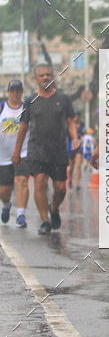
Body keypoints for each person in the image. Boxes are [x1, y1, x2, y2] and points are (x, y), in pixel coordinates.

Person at [12, 64, 79, 235]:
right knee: (39, 182)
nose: (45, 78)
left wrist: (75, 138)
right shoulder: (30, 101)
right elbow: (23, 127)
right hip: (37, 149)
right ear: (36, 79)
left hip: (58, 151)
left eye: (48, 75)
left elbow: (71, 121)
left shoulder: (63, 99)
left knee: (61, 188)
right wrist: (17, 151)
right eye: (42, 75)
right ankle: (45, 221)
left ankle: (54, 208)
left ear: (53, 77)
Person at [0, 79, 30, 228]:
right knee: (4, 189)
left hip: (23, 153)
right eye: (12, 90)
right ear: (8, 92)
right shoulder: (1, 108)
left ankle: (21, 215)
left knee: (21, 181)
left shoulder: (26, 109)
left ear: (22, 92)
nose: (15, 93)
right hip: (3, 156)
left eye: (18, 90)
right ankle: (6, 204)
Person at [67, 113, 84, 189]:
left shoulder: (81, 126)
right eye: (75, 116)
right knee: (71, 166)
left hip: (79, 147)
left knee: (78, 166)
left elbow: (83, 135)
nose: (76, 117)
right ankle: (70, 179)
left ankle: (78, 183)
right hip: (71, 146)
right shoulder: (69, 125)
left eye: (78, 116)